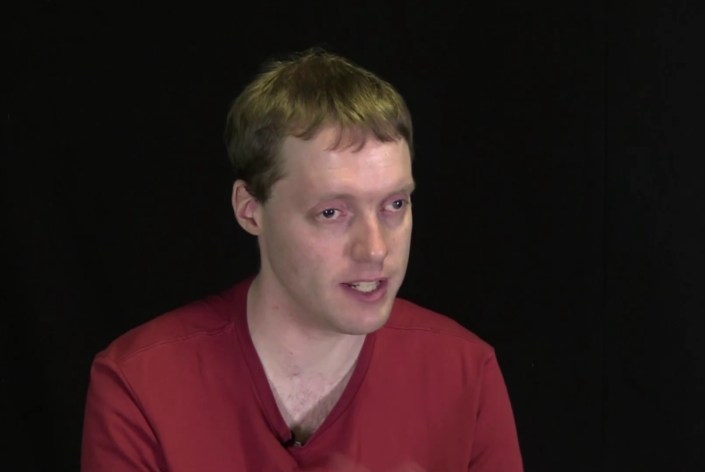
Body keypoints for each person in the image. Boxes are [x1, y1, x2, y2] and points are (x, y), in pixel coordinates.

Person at [81, 48, 523, 472]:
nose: (375, 249)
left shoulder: (467, 373)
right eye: (331, 212)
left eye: (395, 205)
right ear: (250, 210)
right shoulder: (139, 382)